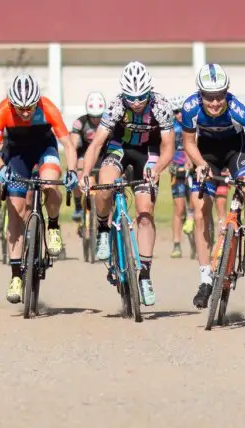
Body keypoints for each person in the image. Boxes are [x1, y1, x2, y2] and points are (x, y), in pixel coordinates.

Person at [182, 63, 245, 309]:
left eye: (220, 96)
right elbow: (188, 143)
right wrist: (198, 164)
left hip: (236, 153)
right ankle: (205, 279)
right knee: (199, 212)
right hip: (207, 156)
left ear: (227, 92)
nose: (215, 103)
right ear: (200, 95)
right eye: (209, 97)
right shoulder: (190, 108)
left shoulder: (237, 109)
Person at [81, 61, 175, 306]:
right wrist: (85, 173)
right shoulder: (115, 106)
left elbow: (168, 148)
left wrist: (158, 169)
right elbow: (96, 144)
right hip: (119, 148)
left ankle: (144, 275)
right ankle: (102, 227)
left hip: (149, 152)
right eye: (131, 97)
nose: (136, 102)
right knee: (105, 185)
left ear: (149, 91)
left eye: (141, 97)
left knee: (145, 213)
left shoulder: (161, 106)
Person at [0, 73, 79, 303]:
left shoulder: (47, 107)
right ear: (12, 103)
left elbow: (67, 143)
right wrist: (0, 167)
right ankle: (16, 276)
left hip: (44, 148)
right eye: (21, 108)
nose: (26, 112)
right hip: (17, 154)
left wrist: (73, 171)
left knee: (49, 183)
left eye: (30, 107)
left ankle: (54, 227)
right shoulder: (2, 111)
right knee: (16, 210)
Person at [70, 91, 107, 222]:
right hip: (85, 155)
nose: (96, 120)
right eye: (93, 116)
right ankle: (79, 206)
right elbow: (73, 146)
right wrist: (71, 168)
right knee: (76, 169)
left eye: (99, 116)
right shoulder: (80, 123)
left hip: (103, 155)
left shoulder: (109, 122)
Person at [169, 95, 194, 258]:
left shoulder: (192, 125)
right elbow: (166, 149)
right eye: (176, 111)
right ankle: (177, 244)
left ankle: (192, 220)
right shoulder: (171, 128)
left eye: (181, 111)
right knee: (179, 209)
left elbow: (196, 145)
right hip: (176, 171)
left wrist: (192, 162)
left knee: (195, 204)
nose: (179, 114)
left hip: (192, 169)